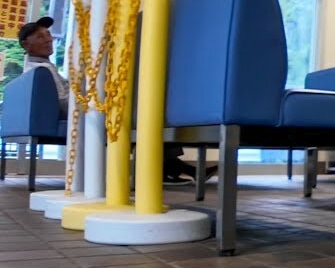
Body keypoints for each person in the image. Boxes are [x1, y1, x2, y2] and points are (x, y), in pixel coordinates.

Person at [17, 16, 215, 185]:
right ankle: (172, 170)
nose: (49, 39)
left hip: (77, 110)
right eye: (41, 36)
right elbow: (62, 103)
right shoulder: (40, 70)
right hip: (75, 115)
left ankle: (175, 170)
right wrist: (95, 98)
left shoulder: (41, 68)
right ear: (26, 45)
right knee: (145, 116)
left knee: (143, 113)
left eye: (48, 34)